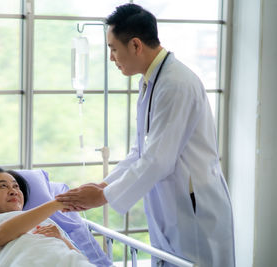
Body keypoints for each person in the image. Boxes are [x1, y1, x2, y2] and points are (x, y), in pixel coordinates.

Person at [56, 3, 235, 267]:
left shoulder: (175, 84)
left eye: (113, 49)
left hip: (195, 209)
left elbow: (158, 160)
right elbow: (140, 152)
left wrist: (103, 197)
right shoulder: (151, 81)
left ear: (136, 45)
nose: (111, 58)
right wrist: (103, 186)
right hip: (174, 206)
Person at [0, 166, 95, 266]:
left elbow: (82, 259)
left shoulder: (48, 222)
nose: (13, 191)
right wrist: (58, 203)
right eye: (3, 186)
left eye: (16, 186)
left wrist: (62, 239)